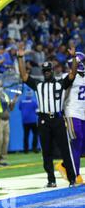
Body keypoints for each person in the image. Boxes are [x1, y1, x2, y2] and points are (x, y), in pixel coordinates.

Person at [17, 45, 78, 187]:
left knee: (64, 150)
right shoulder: (38, 85)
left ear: (52, 71)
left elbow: (72, 74)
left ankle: (72, 179)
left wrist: (74, 57)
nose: (46, 73)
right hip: (43, 119)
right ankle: (51, 180)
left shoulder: (60, 84)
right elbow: (24, 76)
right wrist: (21, 57)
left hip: (57, 119)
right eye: (44, 71)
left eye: (48, 71)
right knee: (46, 151)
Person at [56, 52, 85, 185]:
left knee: (81, 144)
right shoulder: (68, 77)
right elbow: (63, 93)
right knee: (76, 140)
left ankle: (64, 165)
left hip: (82, 113)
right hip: (72, 112)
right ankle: (75, 174)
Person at [0, 79, 18, 167]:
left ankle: (2, 159)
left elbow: (10, 108)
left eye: (2, 85)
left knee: (5, 141)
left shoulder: (5, 95)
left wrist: (14, 99)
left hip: (6, 120)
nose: (1, 87)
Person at [19, 86, 39, 153]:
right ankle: (34, 149)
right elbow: (37, 110)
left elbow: (20, 108)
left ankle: (26, 150)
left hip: (25, 121)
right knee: (35, 134)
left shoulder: (22, 101)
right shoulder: (34, 102)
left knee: (26, 135)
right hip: (33, 120)